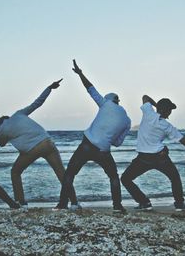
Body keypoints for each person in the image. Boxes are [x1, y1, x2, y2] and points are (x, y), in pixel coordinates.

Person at [55, 60, 131, 213]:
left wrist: (80, 73)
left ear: (109, 99)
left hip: (86, 145)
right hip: (103, 150)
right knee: (113, 177)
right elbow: (118, 143)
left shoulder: (105, 103)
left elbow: (90, 88)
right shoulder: (127, 121)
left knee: (70, 173)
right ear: (118, 102)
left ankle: (62, 205)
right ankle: (117, 206)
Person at [0, 79, 80, 210]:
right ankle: (74, 203)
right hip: (48, 142)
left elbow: (1, 144)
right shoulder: (19, 114)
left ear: (0, 123)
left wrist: (5, 135)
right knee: (61, 173)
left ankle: (21, 203)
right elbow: (37, 103)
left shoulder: (1, 130)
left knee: (15, 172)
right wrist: (49, 88)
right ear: (8, 117)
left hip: (33, 149)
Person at [121, 95, 185, 211]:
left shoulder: (148, 113)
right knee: (175, 178)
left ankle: (144, 202)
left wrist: (156, 107)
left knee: (125, 179)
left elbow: (145, 97)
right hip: (160, 158)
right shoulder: (166, 126)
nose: (170, 113)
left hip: (143, 159)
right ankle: (179, 205)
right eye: (169, 110)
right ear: (164, 109)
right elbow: (184, 141)